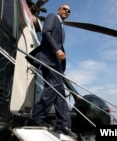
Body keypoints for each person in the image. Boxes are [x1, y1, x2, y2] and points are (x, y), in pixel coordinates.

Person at [27, 4, 77, 138]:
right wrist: (57, 50)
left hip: (56, 63)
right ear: (58, 10)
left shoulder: (62, 27)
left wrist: (61, 59)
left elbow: (58, 42)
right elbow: (45, 32)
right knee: (54, 87)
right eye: (64, 9)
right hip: (49, 59)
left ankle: (63, 125)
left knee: (60, 92)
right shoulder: (52, 17)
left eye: (69, 11)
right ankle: (37, 117)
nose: (67, 11)